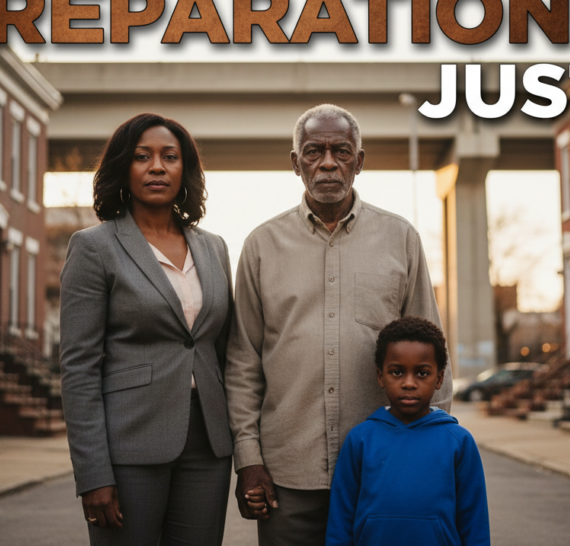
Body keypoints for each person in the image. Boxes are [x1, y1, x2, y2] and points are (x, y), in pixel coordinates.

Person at [225, 103, 453, 546]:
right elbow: (242, 364)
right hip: (288, 474)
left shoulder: (401, 239)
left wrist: (433, 449)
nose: (327, 163)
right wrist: (248, 459)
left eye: (341, 151)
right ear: (296, 163)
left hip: (384, 468)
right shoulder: (260, 246)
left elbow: (432, 352)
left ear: (359, 161)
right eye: (313, 152)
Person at [59, 113, 234, 546]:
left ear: (184, 169)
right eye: (143, 157)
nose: (157, 167)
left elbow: (224, 352)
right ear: (125, 167)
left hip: (208, 444)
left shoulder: (214, 247)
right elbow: (78, 369)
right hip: (129, 445)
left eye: (170, 157)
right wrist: (93, 473)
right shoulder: (94, 247)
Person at [325, 317, 490, 546]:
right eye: (397, 372)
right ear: (381, 376)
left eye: (422, 373)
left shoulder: (459, 442)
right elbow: (340, 522)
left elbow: (475, 524)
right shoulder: (360, 439)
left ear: (439, 378)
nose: (409, 383)